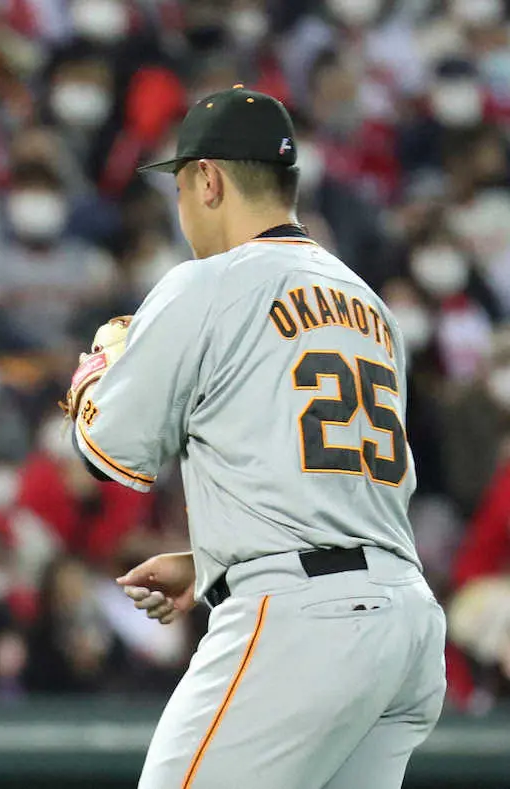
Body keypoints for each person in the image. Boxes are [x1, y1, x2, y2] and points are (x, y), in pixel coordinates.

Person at [62, 86, 446, 789]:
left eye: (181, 185)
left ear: (208, 180)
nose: (181, 207)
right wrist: (213, 558)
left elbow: (106, 453)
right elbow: (331, 479)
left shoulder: (210, 283)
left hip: (303, 624)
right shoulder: (370, 304)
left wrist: (94, 373)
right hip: (406, 622)